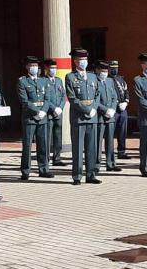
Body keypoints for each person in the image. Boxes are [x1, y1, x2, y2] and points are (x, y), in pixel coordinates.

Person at [65, 48, 102, 185]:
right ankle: (77, 175)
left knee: (92, 147)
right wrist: (86, 109)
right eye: (81, 60)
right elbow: (72, 98)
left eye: (85, 60)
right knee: (78, 148)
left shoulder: (92, 76)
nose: (83, 62)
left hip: (92, 116)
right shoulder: (70, 77)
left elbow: (98, 94)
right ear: (75, 61)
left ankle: (91, 174)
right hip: (79, 117)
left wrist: (94, 108)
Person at [17, 57, 53, 179]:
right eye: (32, 66)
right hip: (30, 117)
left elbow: (48, 99)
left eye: (36, 66)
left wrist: (43, 111)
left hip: (43, 117)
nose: (34, 68)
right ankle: (26, 171)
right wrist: (37, 112)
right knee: (27, 145)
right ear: (27, 67)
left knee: (43, 144)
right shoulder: (22, 81)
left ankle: (43, 169)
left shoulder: (43, 81)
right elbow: (24, 101)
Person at [95, 60, 122, 172]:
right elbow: (94, 100)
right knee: (97, 142)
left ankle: (111, 163)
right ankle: (96, 165)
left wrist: (112, 109)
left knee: (110, 141)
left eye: (106, 71)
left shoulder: (110, 81)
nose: (105, 73)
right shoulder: (94, 81)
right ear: (97, 71)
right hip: (99, 116)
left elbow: (115, 97)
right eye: (103, 71)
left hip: (110, 116)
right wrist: (105, 110)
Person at [43, 59, 67, 166]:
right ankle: (46, 159)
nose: (53, 70)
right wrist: (53, 108)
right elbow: (44, 98)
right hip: (49, 113)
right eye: (51, 68)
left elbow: (63, 95)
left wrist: (60, 108)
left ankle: (57, 158)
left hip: (59, 112)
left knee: (58, 135)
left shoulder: (58, 80)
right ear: (46, 69)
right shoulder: (43, 81)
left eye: (55, 68)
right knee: (47, 137)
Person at [109, 60, 131, 160]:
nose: (115, 69)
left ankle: (121, 151)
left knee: (122, 131)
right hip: (113, 109)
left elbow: (126, 92)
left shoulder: (121, 79)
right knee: (111, 132)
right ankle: (110, 152)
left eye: (116, 68)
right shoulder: (108, 80)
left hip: (122, 109)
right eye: (113, 68)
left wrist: (126, 102)